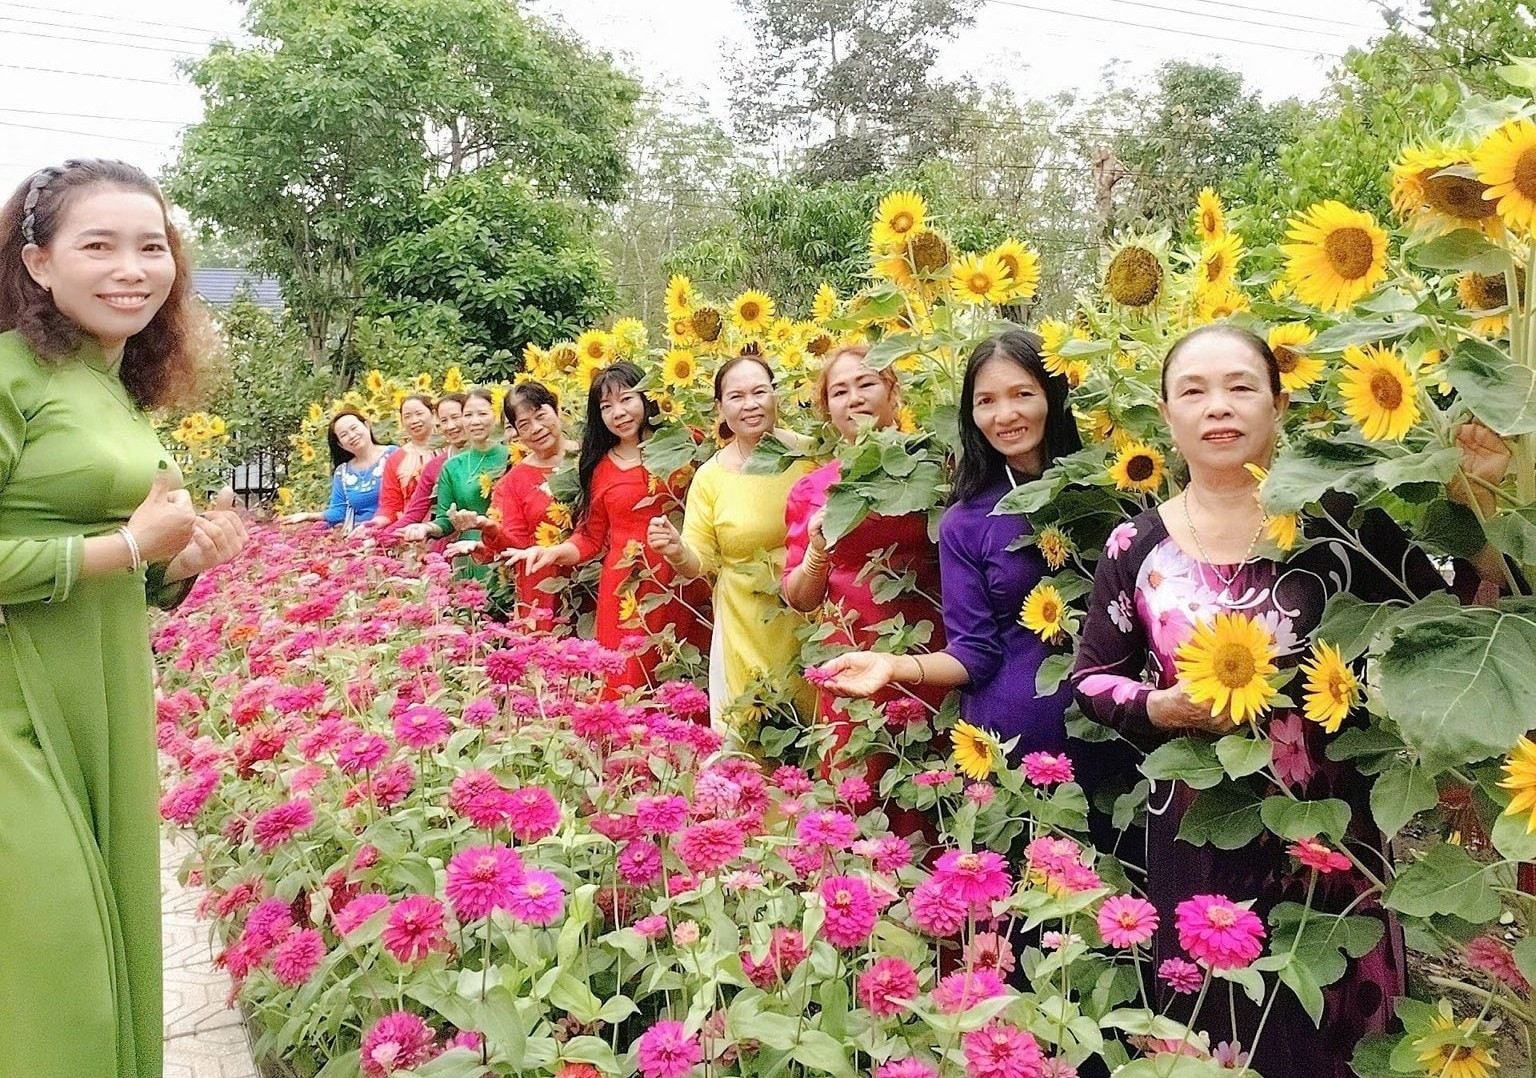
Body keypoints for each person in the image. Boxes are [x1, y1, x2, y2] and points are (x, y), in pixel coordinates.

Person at [1069, 324, 1510, 1077]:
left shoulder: (1340, 528)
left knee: (1338, 1026)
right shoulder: (1136, 546)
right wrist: (1157, 707)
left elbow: (1453, 630)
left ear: (1278, 405)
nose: (1219, 407)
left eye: (1242, 386)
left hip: (1334, 831)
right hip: (1199, 824)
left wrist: (1479, 514)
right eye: (1194, 391)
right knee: (1215, 1028)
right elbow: (1090, 678)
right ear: (1167, 416)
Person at [0, 159, 248, 1077]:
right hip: (15, 711)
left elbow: (122, 561)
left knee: (105, 952)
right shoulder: (7, 373)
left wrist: (173, 565)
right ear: (37, 264)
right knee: (57, 969)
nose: (131, 267)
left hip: (97, 693)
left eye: (152, 246)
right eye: (97, 244)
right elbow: (108, 548)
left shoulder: (110, 388)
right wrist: (123, 548)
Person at [818, 330, 1080, 754]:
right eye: (986, 401)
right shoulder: (967, 521)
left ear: (1052, 394)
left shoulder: (1107, 494)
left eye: (1022, 394)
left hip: (1120, 726)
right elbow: (974, 652)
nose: (1006, 414)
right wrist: (893, 664)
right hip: (1017, 735)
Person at [781, 343, 947, 777]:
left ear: (893, 392)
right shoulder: (812, 490)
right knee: (859, 775)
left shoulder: (936, 465)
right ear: (827, 409)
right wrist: (818, 552)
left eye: (866, 383)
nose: (854, 398)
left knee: (934, 776)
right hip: (850, 648)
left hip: (933, 644)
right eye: (839, 391)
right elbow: (799, 598)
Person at [647, 352, 815, 726]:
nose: (750, 404)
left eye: (760, 392)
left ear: (776, 396)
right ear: (720, 408)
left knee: (815, 724)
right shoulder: (711, 476)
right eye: (736, 397)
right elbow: (698, 561)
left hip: (813, 612)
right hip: (745, 622)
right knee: (751, 729)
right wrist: (676, 549)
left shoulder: (812, 453)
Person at [519, 362, 709, 691]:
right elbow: (591, 537)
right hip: (627, 590)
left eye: (626, 399)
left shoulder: (686, 442)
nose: (617, 413)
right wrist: (554, 552)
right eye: (606, 407)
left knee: (688, 677)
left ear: (647, 397)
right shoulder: (601, 467)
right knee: (628, 684)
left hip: (685, 578)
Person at [458, 381, 576, 624]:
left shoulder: (588, 459)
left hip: (596, 576)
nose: (536, 428)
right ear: (516, 433)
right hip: (542, 585)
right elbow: (515, 545)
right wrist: (488, 527)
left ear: (556, 410)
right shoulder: (512, 482)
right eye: (524, 425)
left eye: (541, 416)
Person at [400, 388, 506, 580]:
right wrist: (426, 528)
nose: (475, 421)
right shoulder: (452, 466)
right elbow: (445, 519)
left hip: (502, 550)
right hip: (464, 553)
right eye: (468, 415)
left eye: (482, 414)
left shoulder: (512, 457)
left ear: (497, 416)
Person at [284, 410, 396, 530]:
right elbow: (339, 511)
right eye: (344, 435)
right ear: (340, 444)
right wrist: (308, 516)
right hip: (358, 535)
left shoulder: (394, 455)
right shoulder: (342, 473)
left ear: (367, 426)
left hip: (394, 531)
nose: (352, 436)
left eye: (354, 428)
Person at [392, 392, 466, 533]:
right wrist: (379, 538)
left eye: (456, 417)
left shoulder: (499, 455)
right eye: (444, 421)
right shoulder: (435, 466)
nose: (451, 426)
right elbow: (415, 513)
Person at [372, 393, 436, 526]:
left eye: (419, 413)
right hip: (409, 528)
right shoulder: (395, 459)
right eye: (407, 416)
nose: (414, 420)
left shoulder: (450, 449)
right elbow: (390, 506)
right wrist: (371, 527)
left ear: (433, 414)